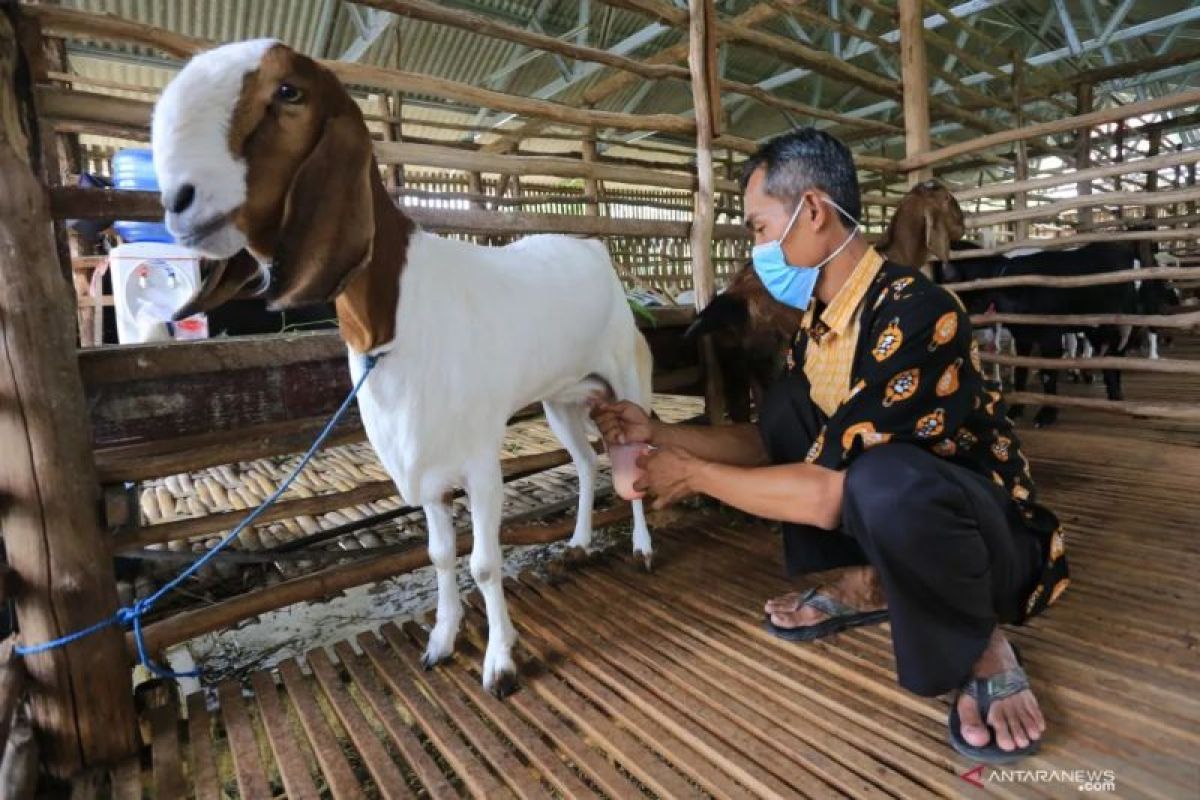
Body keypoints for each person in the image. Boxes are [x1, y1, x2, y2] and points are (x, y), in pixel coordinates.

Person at [592, 129, 1069, 763]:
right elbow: (771, 441)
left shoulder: (921, 312)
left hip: (987, 542)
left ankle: (979, 640)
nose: (758, 249)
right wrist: (660, 434)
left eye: (760, 229)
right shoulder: (818, 324)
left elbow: (826, 495)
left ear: (812, 211)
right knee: (793, 405)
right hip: (903, 525)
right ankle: (867, 580)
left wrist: (695, 475)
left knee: (885, 477)